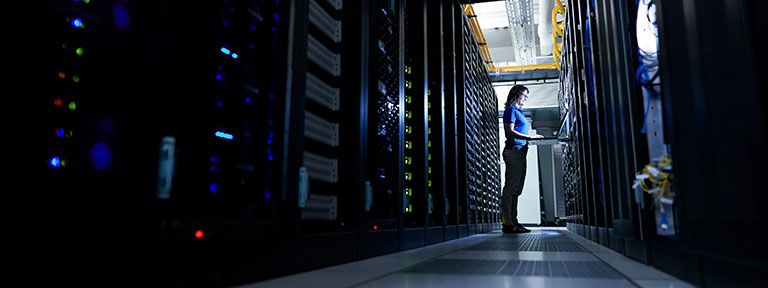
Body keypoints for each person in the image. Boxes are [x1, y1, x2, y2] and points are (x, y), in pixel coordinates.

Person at [501, 85, 543, 233]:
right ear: (517, 94)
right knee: (511, 189)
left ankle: (514, 221)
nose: (525, 99)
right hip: (513, 151)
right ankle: (508, 223)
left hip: (521, 152)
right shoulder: (511, 110)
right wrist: (530, 137)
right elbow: (509, 132)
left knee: (517, 190)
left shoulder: (519, 112)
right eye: (524, 96)